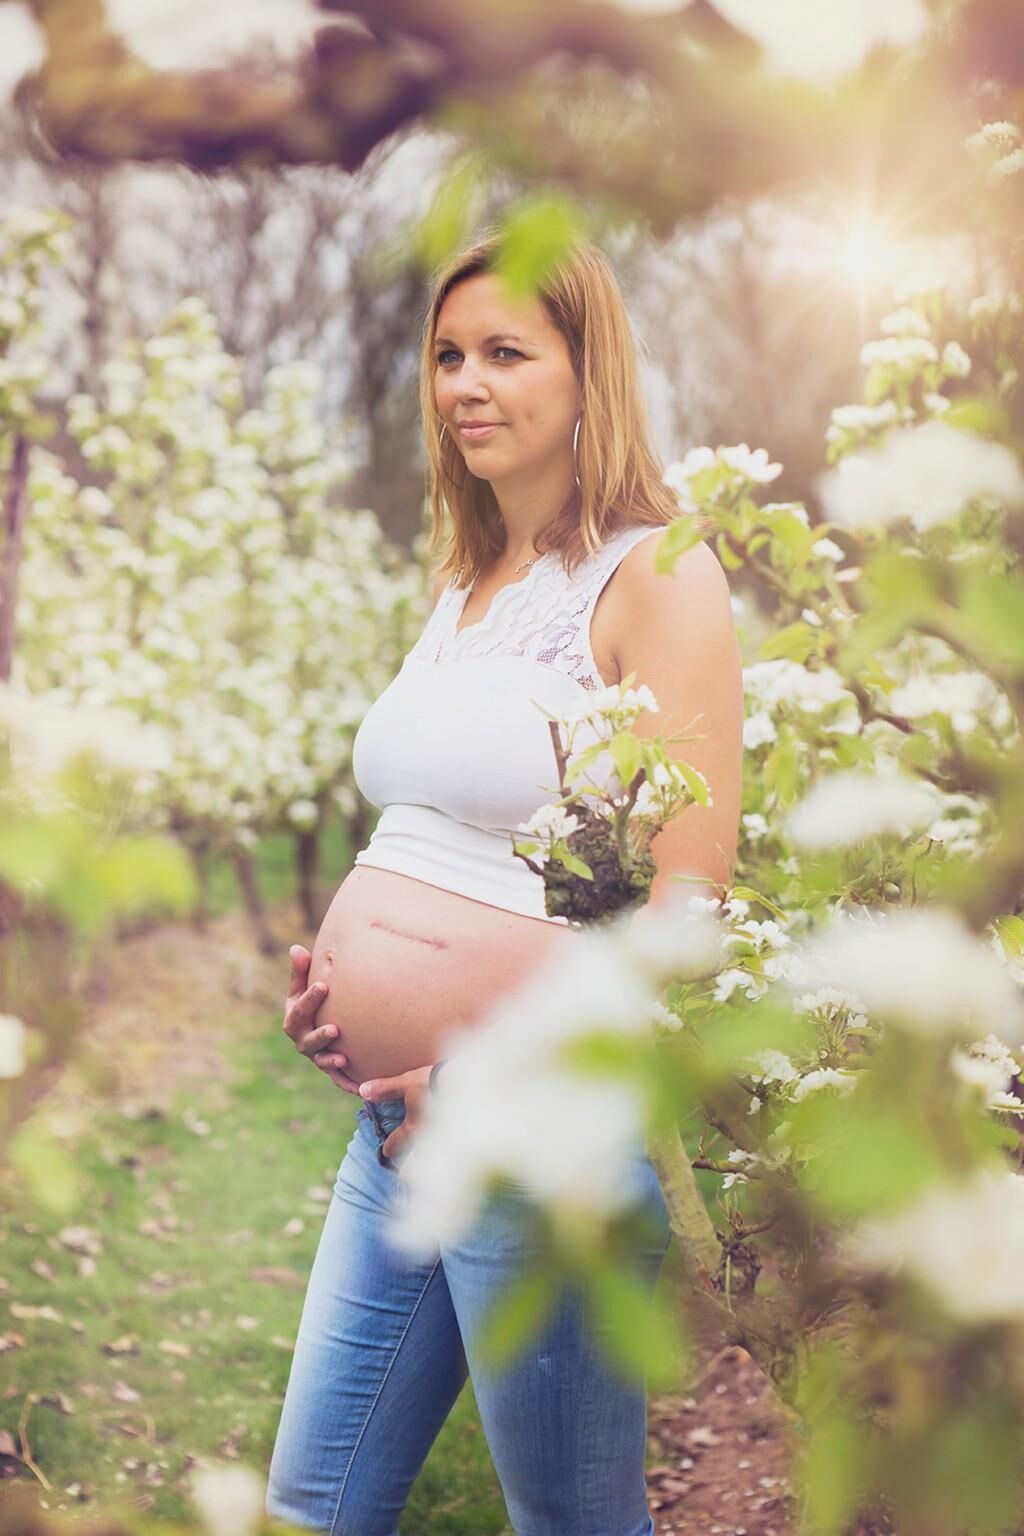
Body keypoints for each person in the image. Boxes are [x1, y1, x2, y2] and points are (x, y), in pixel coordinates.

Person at [265, 229, 744, 1536]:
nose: (463, 384)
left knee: (572, 1522)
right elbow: (429, 831)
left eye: (504, 354)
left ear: (590, 375)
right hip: (396, 1131)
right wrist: (343, 1002)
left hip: (539, 1140)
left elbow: (685, 905)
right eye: (447, 356)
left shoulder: (658, 570)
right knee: (313, 1500)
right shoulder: (465, 579)